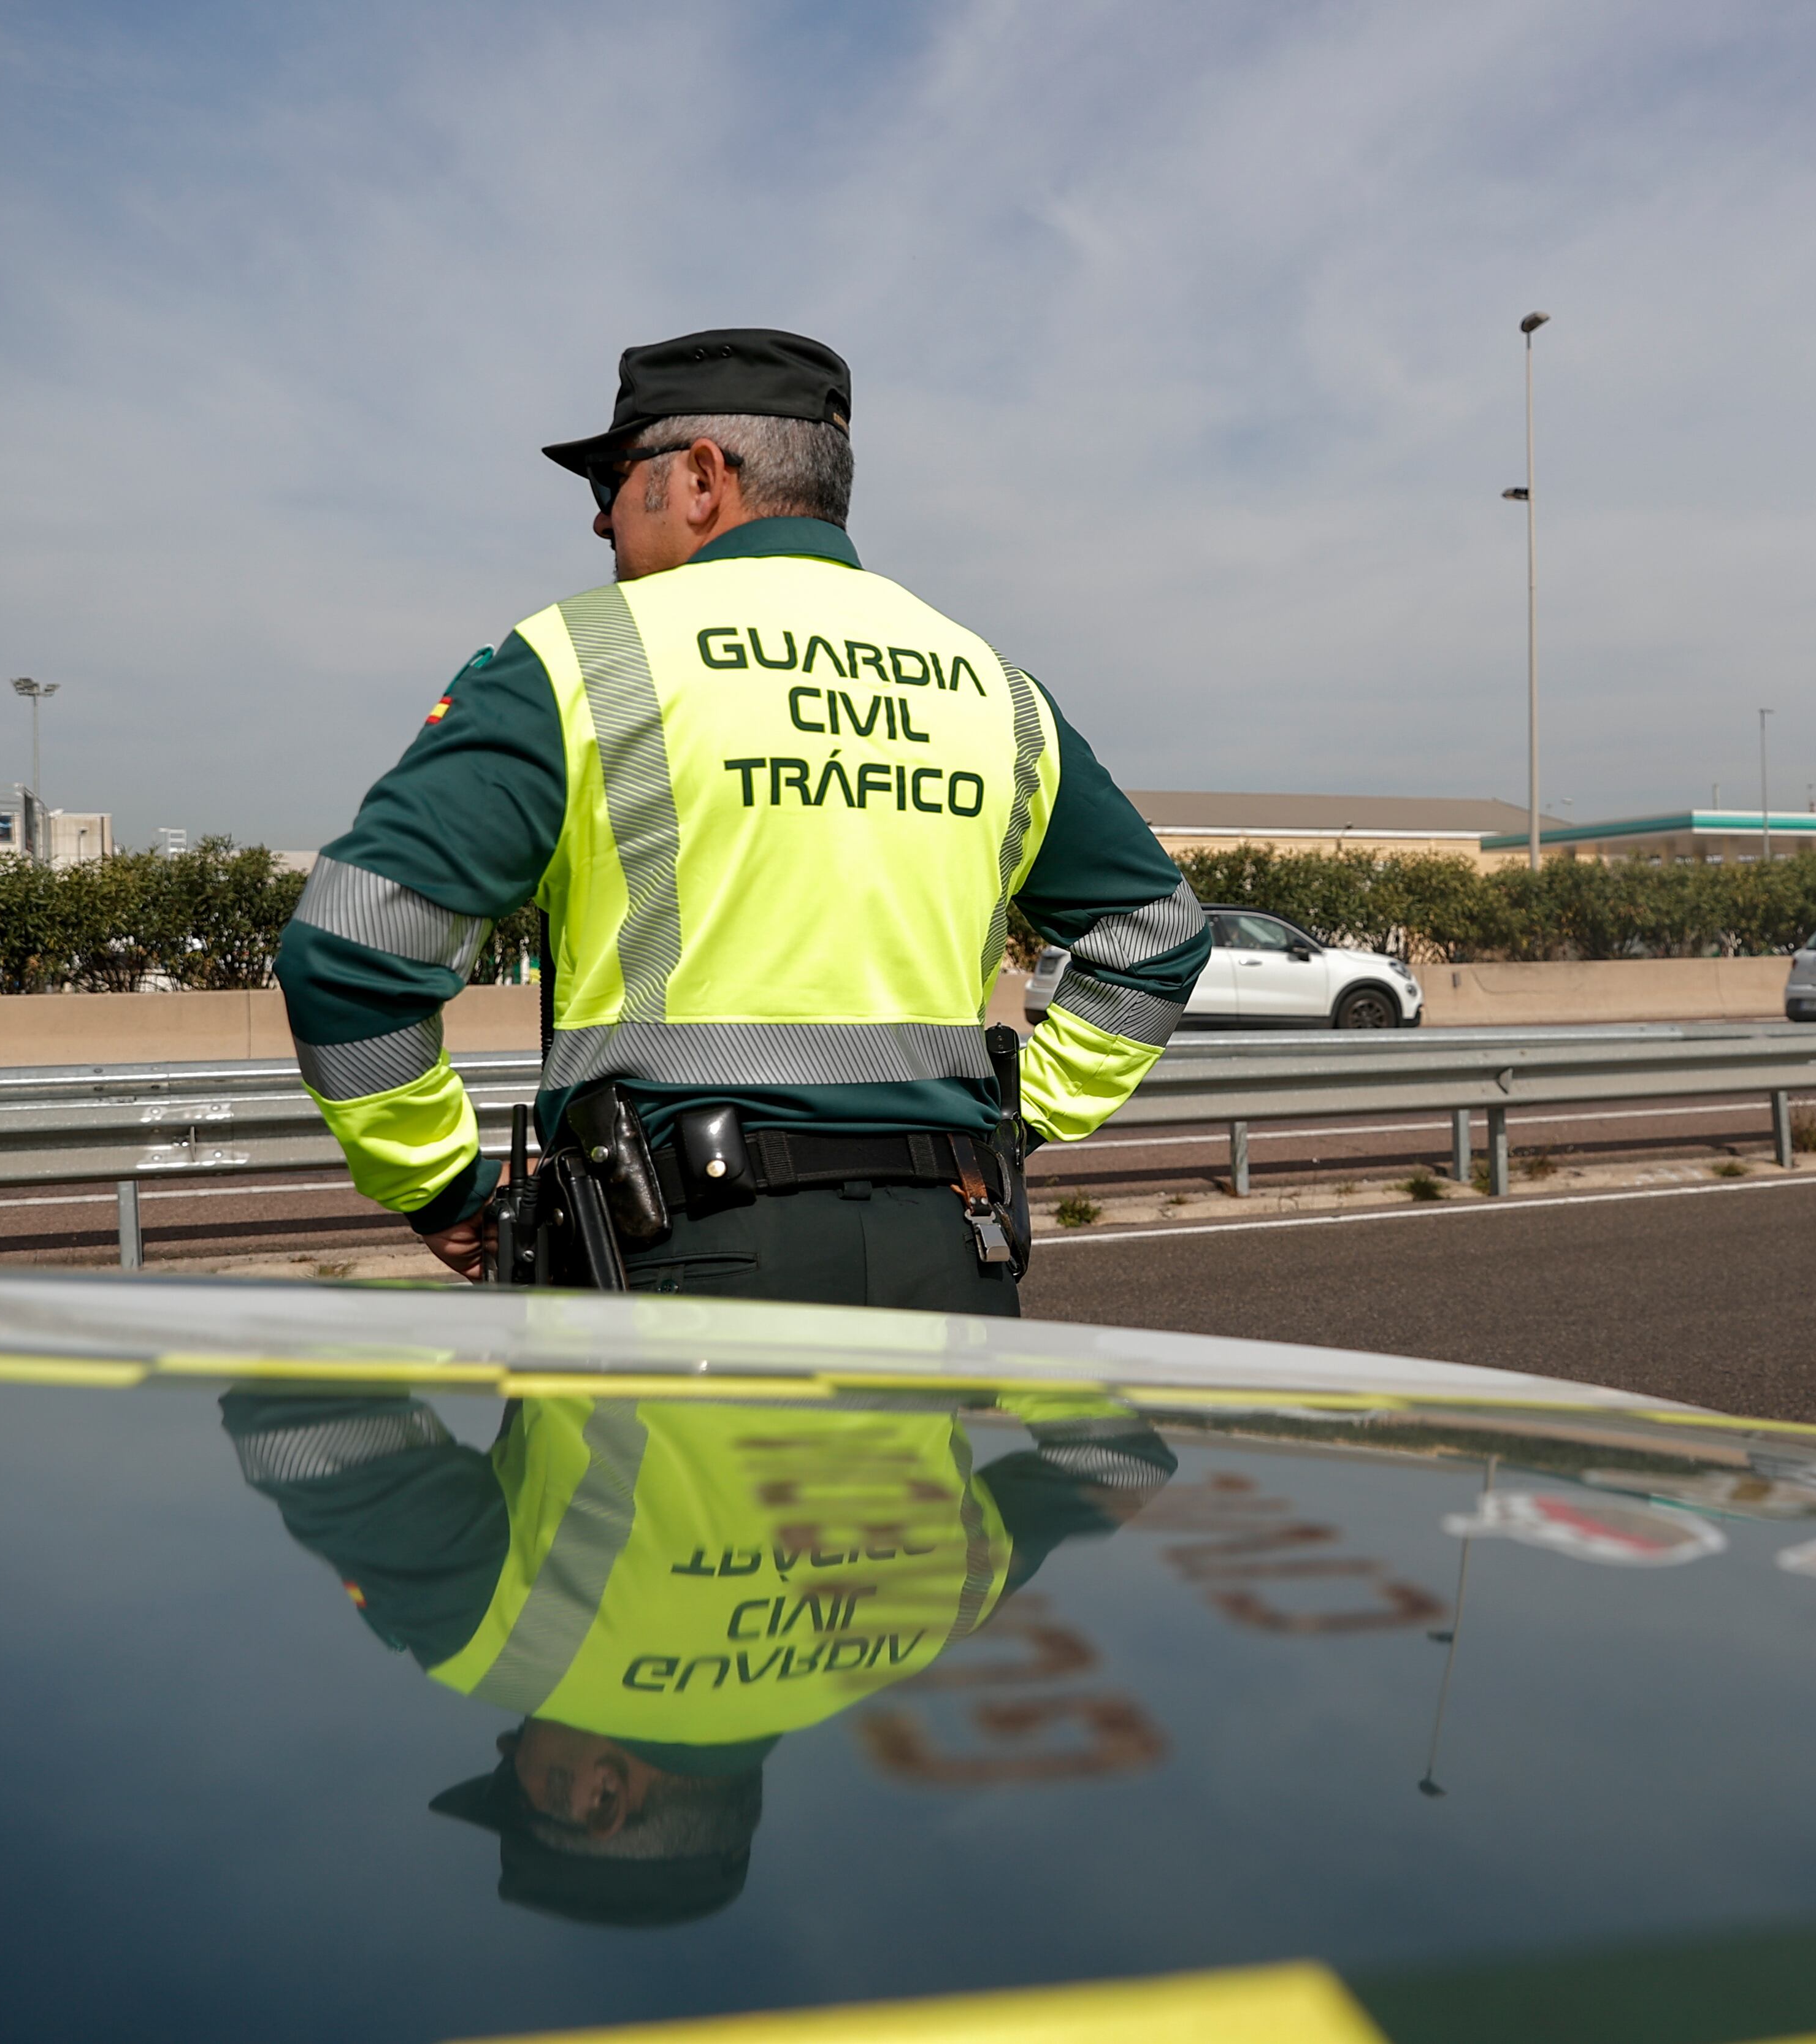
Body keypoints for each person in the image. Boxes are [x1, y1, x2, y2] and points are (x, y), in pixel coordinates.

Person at [274, 329, 1206, 1306]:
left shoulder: (581, 659)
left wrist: (442, 1188)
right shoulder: (995, 690)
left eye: (611, 482)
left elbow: (351, 946)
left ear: (702, 478)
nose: (600, 526)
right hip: (952, 1253)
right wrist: (1011, 1124)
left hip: (678, 1262)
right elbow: (1158, 940)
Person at [223, 1384, 1173, 1924]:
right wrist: (509, 1299)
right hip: (630, 1171)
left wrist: (965, 1342)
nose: (508, 1751)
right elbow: (294, 1411)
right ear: (601, 1798)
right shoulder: (498, 1642)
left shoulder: (923, 1626)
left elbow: (1127, 1466)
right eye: (517, 1784)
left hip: (911, 1178)